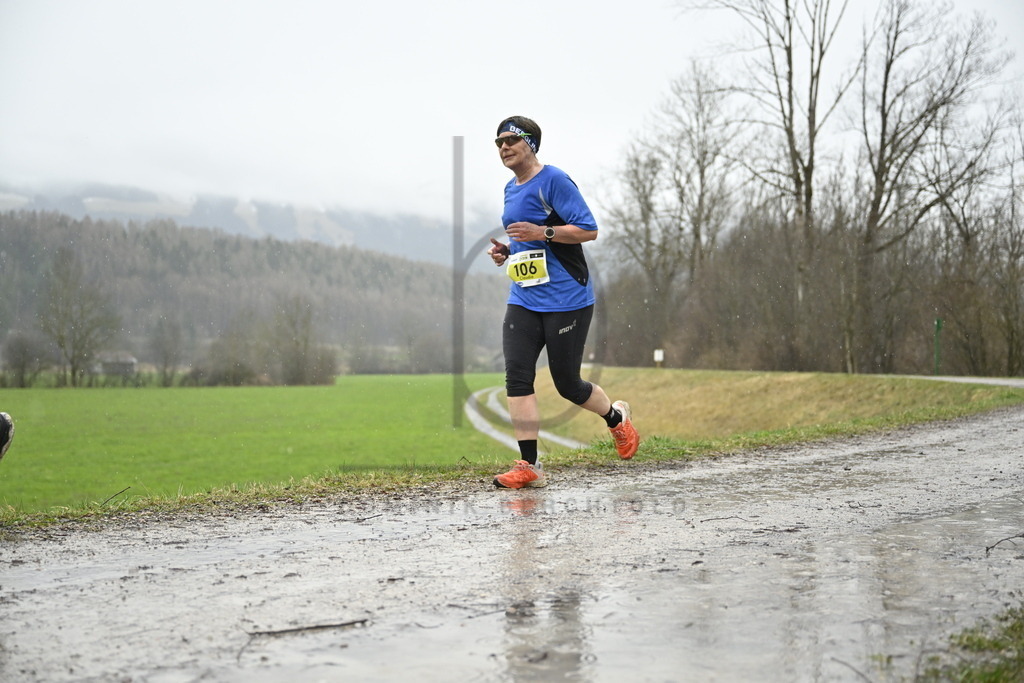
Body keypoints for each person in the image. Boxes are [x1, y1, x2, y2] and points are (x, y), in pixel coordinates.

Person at [487, 115, 640, 489]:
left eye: (511, 140)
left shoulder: (554, 180)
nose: (504, 147)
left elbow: (588, 229)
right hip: (524, 297)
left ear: (531, 144)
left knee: (567, 384)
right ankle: (529, 465)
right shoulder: (510, 188)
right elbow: (530, 238)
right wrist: (510, 250)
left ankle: (617, 419)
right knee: (517, 377)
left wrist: (543, 231)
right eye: (498, 143)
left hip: (567, 298)